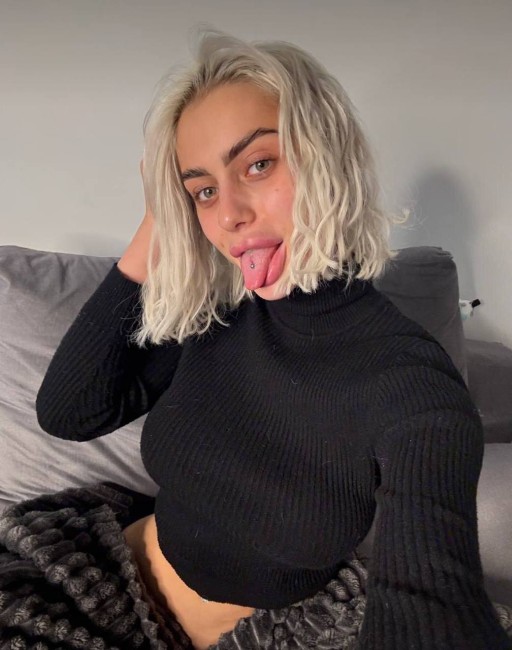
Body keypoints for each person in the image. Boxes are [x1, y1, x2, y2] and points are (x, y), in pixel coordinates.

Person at [1, 30, 511, 650]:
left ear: (329, 157)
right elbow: (71, 411)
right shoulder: (218, 315)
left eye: (259, 164)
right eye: (204, 190)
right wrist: (159, 217)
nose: (229, 214)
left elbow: (431, 603)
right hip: (94, 576)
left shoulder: (414, 388)